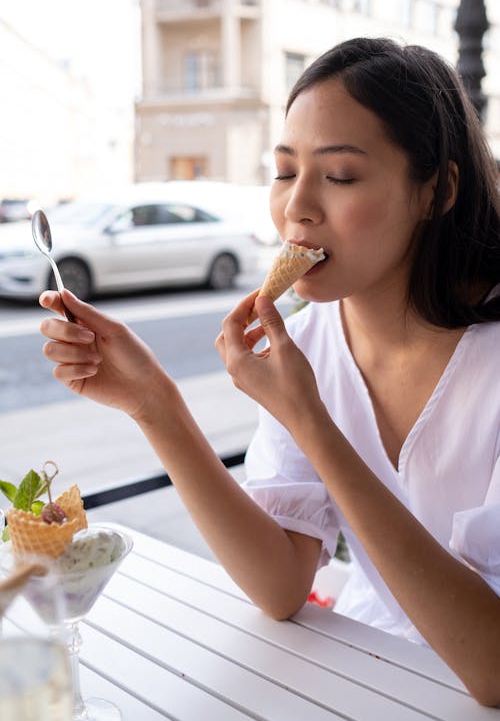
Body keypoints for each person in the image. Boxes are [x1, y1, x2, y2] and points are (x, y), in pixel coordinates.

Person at [39, 37, 500, 706]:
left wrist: (308, 418)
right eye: (285, 173)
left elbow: (491, 667)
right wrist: (154, 405)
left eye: (339, 176)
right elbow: (281, 585)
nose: (297, 209)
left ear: (437, 190)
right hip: (370, 676)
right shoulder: (305, 340)